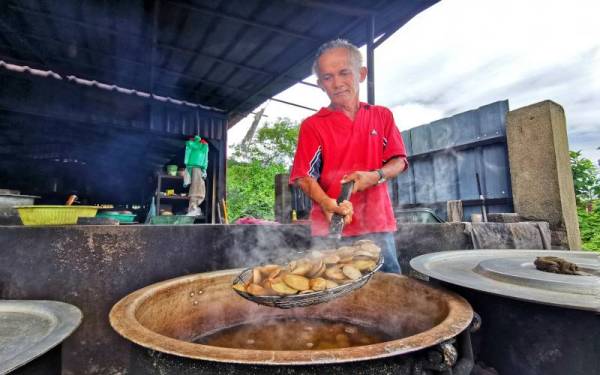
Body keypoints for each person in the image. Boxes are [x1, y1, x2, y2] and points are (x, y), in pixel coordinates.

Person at [289, 39, 409, 273]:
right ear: (320, 84)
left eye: (344, 73)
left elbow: (399, 161)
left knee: (389, 291)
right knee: (330, 294)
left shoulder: (381, 116)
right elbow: (303, 175)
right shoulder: (313, 126)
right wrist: (325, 203)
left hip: (377, 224)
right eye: (327, 77)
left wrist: (375, 176)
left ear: (361, 74)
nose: (337, 83)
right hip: (330, 227)